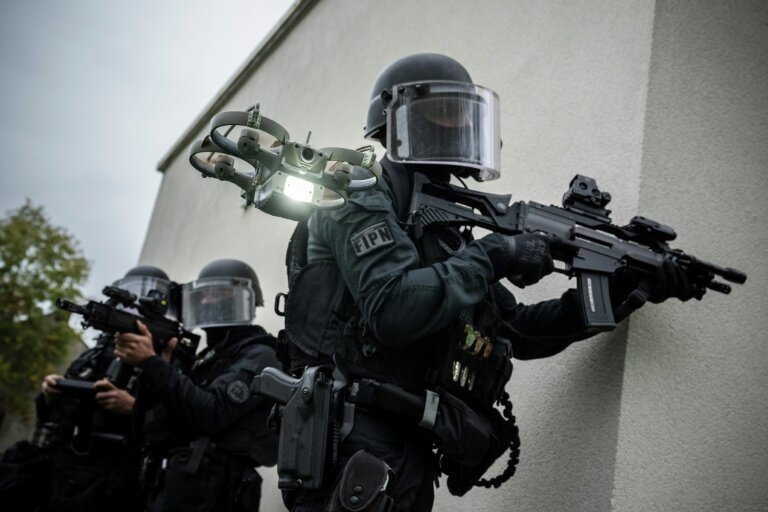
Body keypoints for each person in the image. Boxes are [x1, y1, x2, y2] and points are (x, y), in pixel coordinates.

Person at [278, 53, 699, 512]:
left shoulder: (444, 234)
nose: (459, 128)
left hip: (409, 451)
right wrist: (496, 254)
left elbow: (520, 329)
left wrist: (625, 289)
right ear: (397, 121)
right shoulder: (356, 192)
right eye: (444, 114)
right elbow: (392, 309)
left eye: (466, 117)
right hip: (350, 439)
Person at [0, 265, 172, 512]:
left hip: (115, 478)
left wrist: (133, 407)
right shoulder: (97, 352)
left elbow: (175, 425)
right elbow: (49, 418)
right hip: (65, 468)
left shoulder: (166, 359)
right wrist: (51, 394)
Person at [115, 258, 280, 512]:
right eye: (203, 295)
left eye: (219, 295)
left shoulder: (261, 355)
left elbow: (210, 414)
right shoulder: (210, 356)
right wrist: (162, 366)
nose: (207, 301)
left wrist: (152, 363)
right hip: (177, 484)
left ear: (245, 301)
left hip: (217, 490)